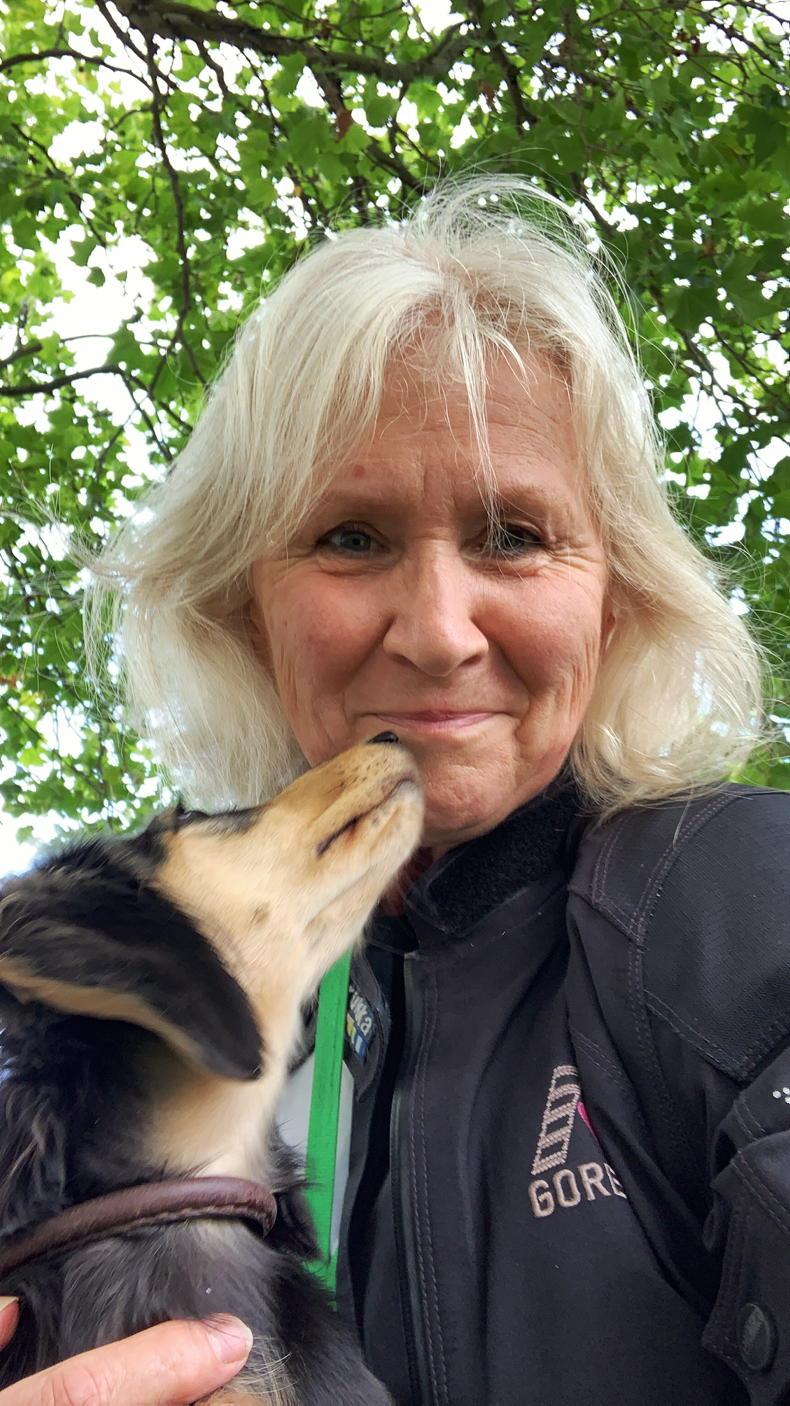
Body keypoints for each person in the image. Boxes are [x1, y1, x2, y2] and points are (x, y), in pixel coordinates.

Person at [2, 175, 787, 1404]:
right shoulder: (164, 1059)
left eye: (513, 535)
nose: (435, 632)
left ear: (614, 597)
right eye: (350, 538)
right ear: (248, 610)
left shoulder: (739, 899)